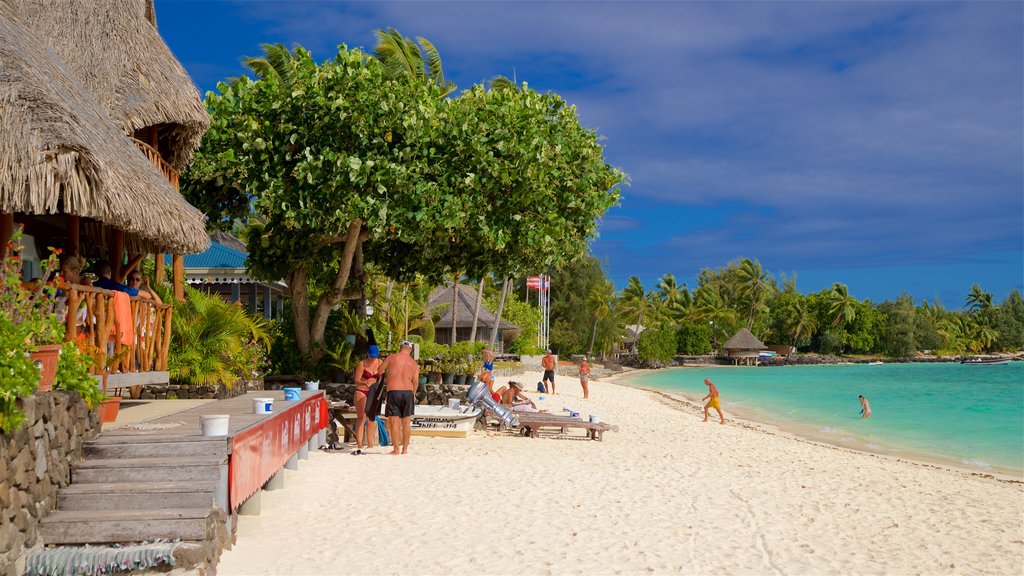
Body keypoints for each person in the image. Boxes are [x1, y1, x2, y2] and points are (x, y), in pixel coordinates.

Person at [379, 340, 419, 455]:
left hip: (394, 390)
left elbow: (379, 370)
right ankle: (405, 449)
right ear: (410, 350)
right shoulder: (414, 363)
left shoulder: (391, 357)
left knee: (394, 422)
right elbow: (415, 382)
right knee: (407, 422)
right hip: (408, 392)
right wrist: (413, 394)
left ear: (400, 348)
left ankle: (396, 449)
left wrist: (389, 375)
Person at [351, 345, 383, 454]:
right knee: (361, 417)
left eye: (374, 356)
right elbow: (356, 380)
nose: (372, 358)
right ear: (367, 354)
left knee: (371, 418)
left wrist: (376, 382)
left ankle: (370, 443)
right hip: (362, 390)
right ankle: (360, 443)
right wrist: (366, 382)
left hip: (373, 392)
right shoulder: (362, 364)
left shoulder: (380, 363)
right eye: (371, 356)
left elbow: (382, 378)